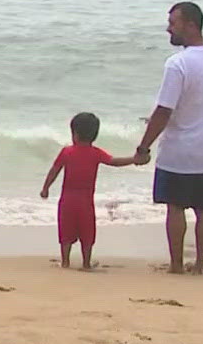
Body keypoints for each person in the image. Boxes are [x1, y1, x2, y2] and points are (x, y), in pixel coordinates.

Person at [134, 2, 203, 275]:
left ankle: (176, 264)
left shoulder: (178, 63)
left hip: (179, 150)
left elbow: (165, 109)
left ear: (190, 25)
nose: (168, 28)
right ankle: (200, 265)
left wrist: (144, 146)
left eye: (173, 23)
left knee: (175, 207)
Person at [40, 112, 149, 271]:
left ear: (74, 133)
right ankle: (86, 263)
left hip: (67, 200)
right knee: (87, 232)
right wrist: (134, 160)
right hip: (85, 202)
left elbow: (54, 171)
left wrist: (45, 188)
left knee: (65, 231)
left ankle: (65, 262)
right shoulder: (96, 153)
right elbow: (115, 162)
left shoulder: (66, 152)